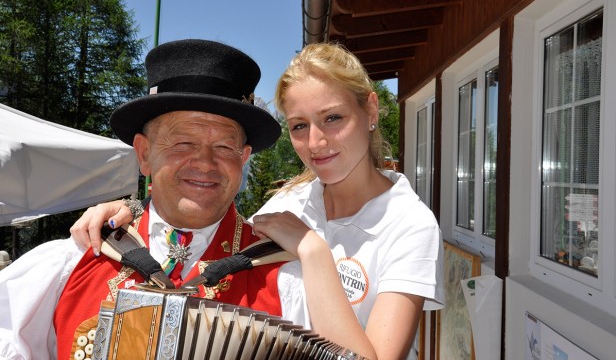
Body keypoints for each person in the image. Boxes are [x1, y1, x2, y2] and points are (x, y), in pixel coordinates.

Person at [71, 42, 444, 360]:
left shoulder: (410, 224)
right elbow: (210, 220)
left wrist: (313, 252)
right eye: (299, 125)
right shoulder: (291, 201)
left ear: (371, 110)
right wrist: (133, 217)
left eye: (333, 118)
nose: (315, 143)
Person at [0, 39, 285, 360]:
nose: (205, 163)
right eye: (183, 142)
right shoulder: (65, 267)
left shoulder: (289, 282)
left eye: (223, 146)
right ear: (144, 154)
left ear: (243, 158)